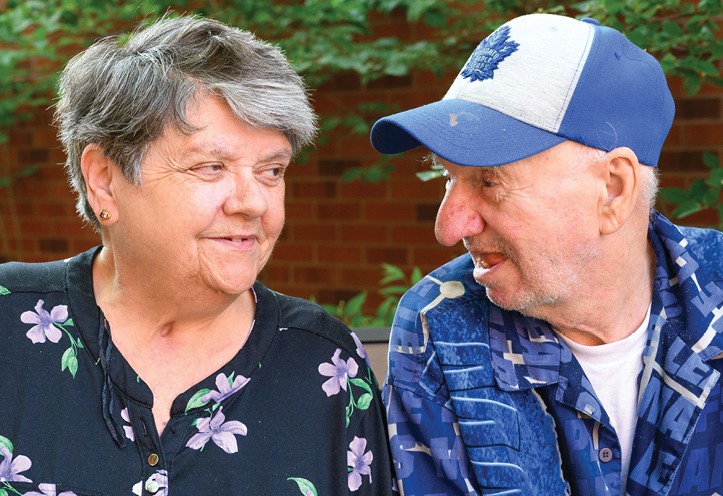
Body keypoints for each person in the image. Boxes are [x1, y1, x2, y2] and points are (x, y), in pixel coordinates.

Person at [0, 16, 394, 496]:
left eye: (272, 170)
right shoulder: (8, 325)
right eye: (212, 167)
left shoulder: (327, 366)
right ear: (104, 178)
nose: (252, 202)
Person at [370, 13, 723, 496]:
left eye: (489, 181)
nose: (449, 227)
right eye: (447, 177)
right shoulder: (441, 321)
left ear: (614, 191)